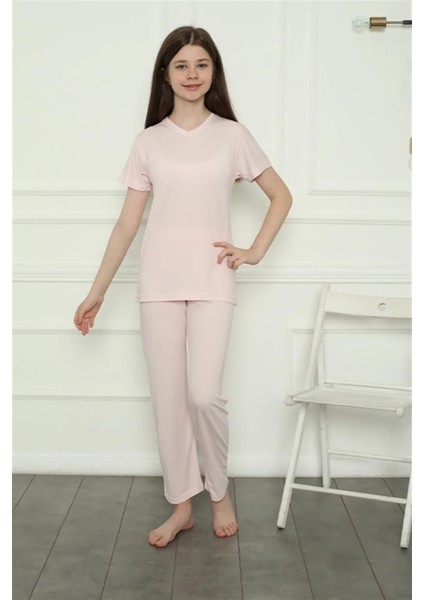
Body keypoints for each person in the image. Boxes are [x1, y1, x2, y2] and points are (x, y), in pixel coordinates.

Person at [74, 25, 292, 548]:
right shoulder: (148, 142)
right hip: (158, 282)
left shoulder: (233, 135)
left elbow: (281, 196)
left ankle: (219, 491)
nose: (192, 74)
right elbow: (127, 225)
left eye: (201, 64)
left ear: (213, 72)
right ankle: (181, 506)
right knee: (169, 400)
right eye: (181, 65)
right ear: (166, 74)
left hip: (213, 278)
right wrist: (97, 291)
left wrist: (254, 250)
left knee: (202, 394)